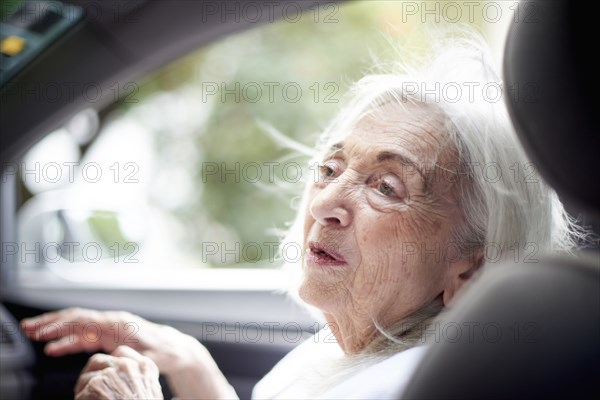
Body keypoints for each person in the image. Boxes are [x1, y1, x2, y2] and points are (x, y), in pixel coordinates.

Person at [20, 32, 584, 400]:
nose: (325, 204)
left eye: (386, 187)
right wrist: (191, 365)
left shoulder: (414, 382)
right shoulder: (362, 345)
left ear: (468, 272)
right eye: (330, 168)